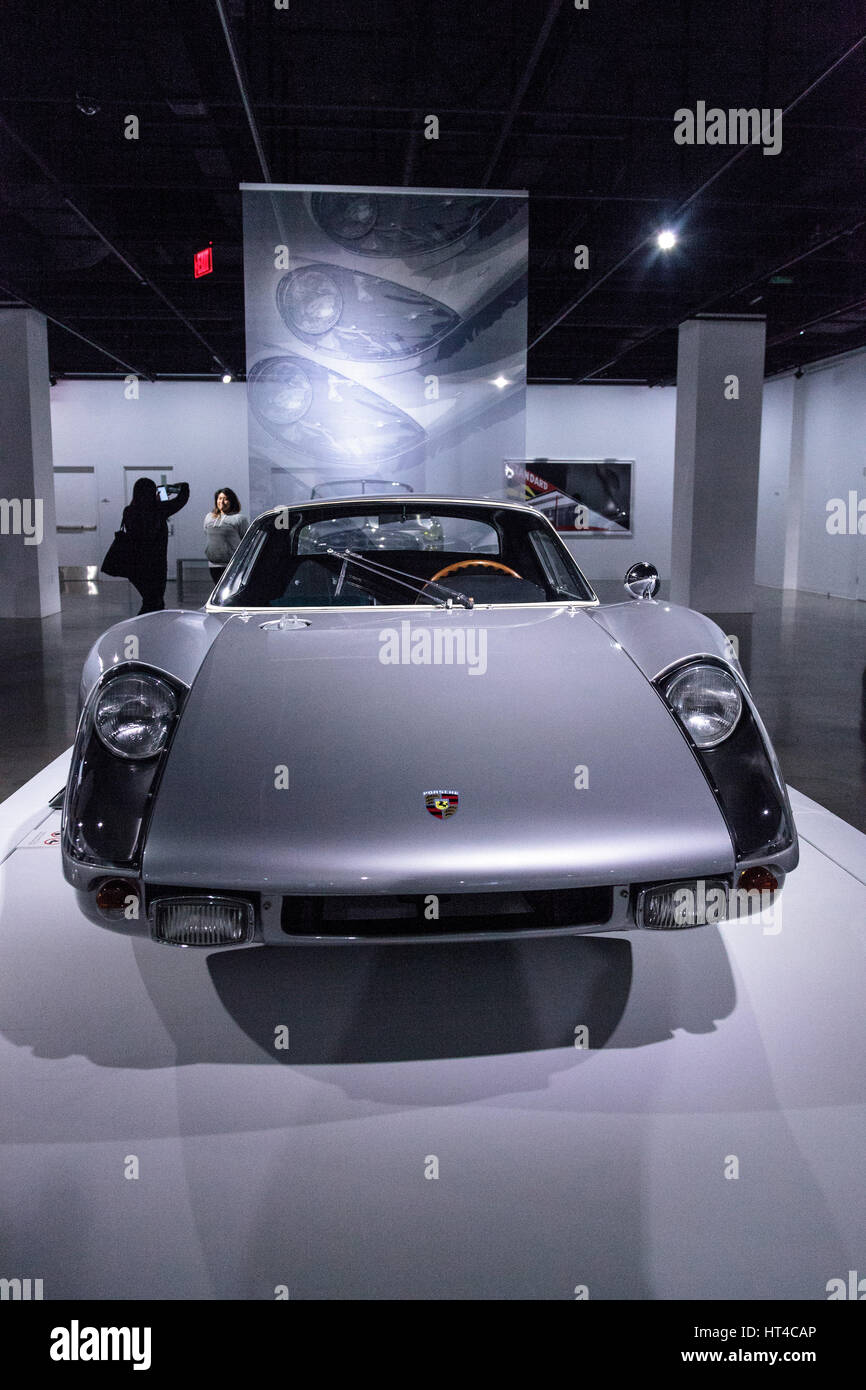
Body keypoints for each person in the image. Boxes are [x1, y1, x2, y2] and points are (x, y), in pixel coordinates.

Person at [122, 477, 190, 615]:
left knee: (151, 600)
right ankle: (146, 629)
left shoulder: (129, 511)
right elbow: (182, 497)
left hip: (135, 565)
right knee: (154, 601)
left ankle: (151, 629)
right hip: (156, 565)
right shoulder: (159, 510)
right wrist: (172, 487)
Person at [204, 487, 249, 585]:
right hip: (213, 564)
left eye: (226, 499)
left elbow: (246, 541)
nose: (222, 501)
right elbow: (207, 534)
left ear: (232, 501)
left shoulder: (239, 519)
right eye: (220, 498)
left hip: (232, 565)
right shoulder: (209, 517)